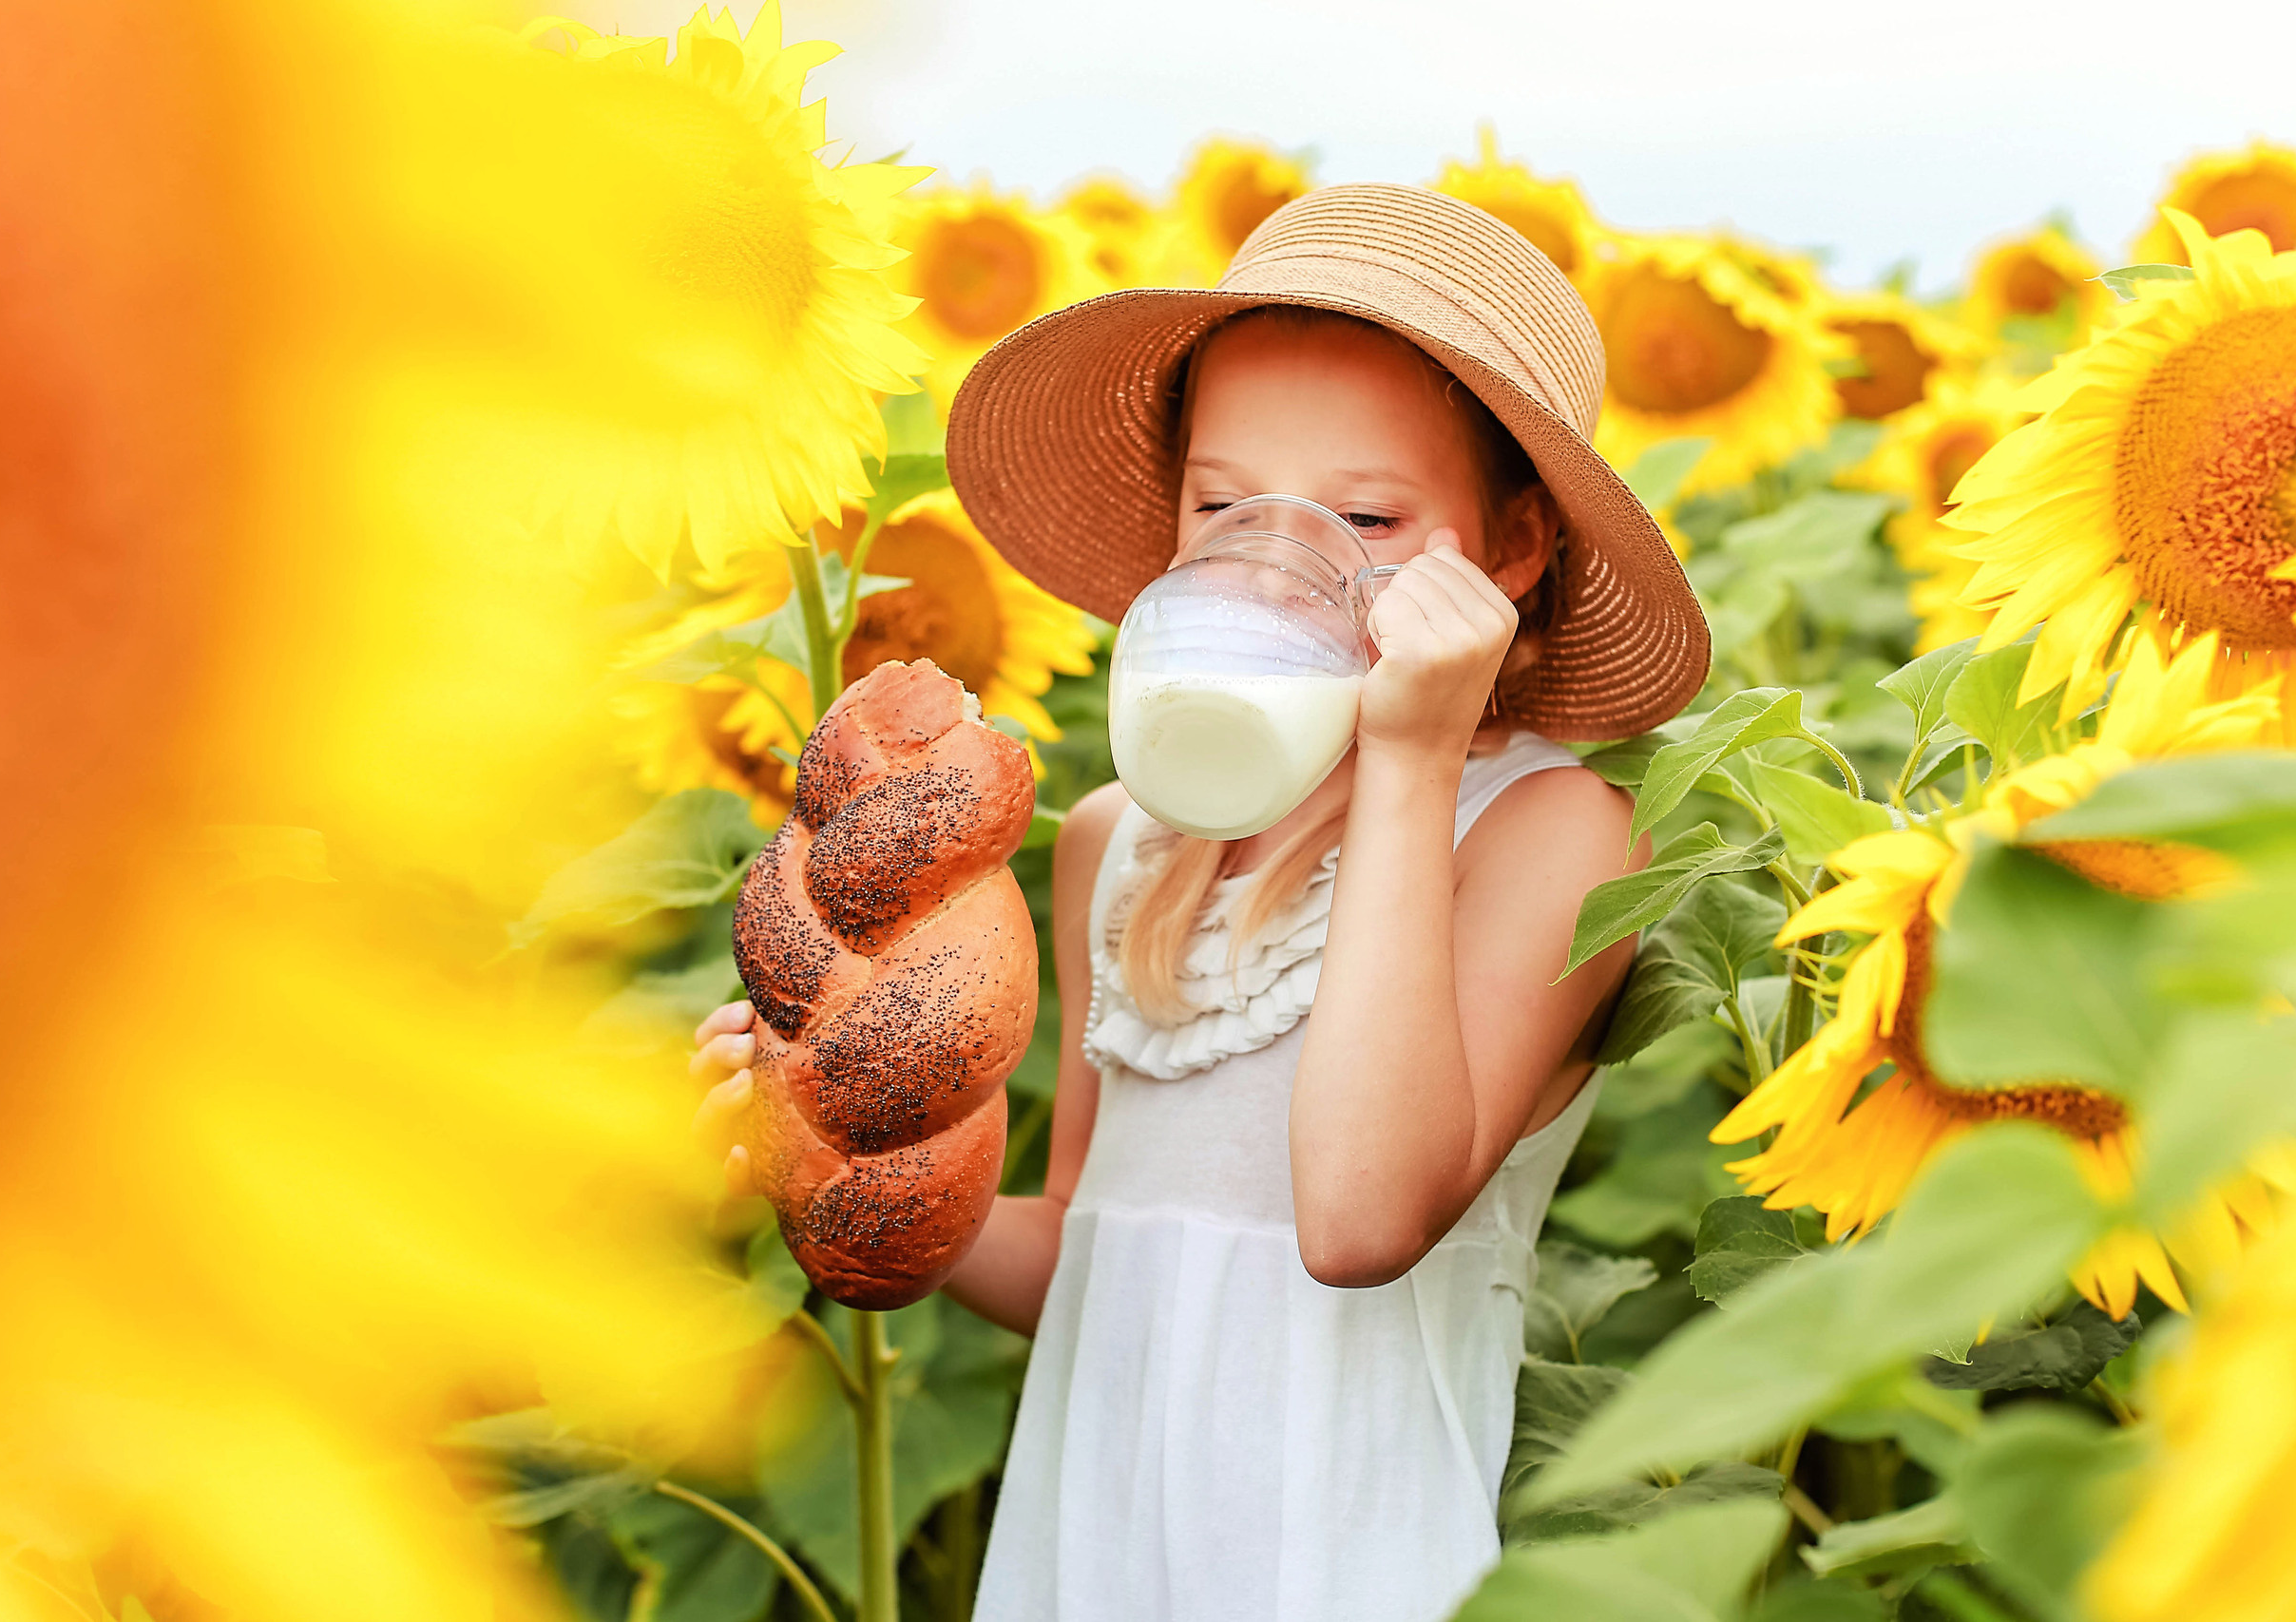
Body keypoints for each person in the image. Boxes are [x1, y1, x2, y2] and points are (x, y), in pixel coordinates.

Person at [689, 184, 1710, 1622]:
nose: (1277, 560)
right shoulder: (1118, 842)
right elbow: (1097, 1260)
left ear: (1513, 552)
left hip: (1345, 1556)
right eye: (1224, 508)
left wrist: (1414, 755)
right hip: (1091, 1548)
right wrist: (837, 1147)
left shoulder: (1551, 831)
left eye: (1365, 515)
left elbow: (1359, 1223)